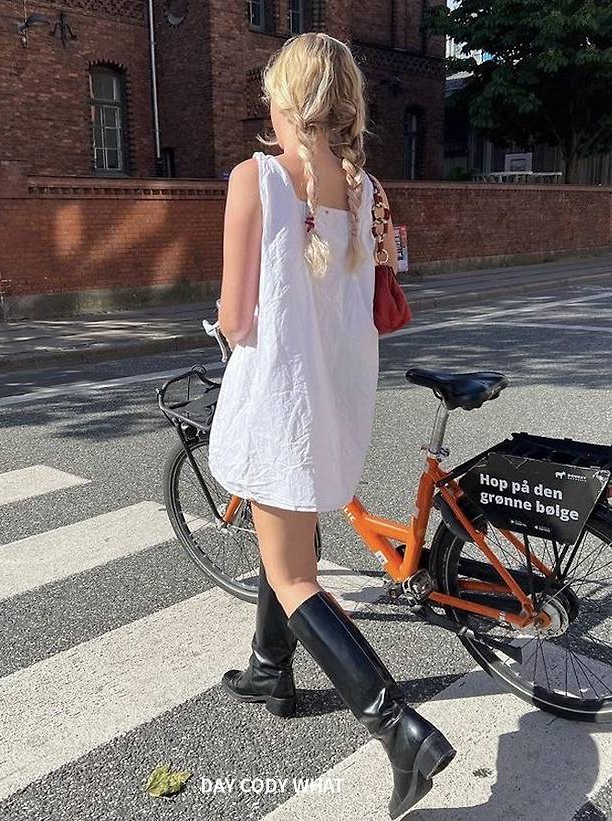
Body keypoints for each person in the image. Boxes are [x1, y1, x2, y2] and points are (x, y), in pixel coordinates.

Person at [207, 32, 455, 820]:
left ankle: (400, 730)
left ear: (285, 100)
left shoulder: (255, 179)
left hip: (282, 394)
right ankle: (268, 668)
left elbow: (236, 316)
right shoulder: (367, 187)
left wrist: (226, 322)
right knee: (286, 530)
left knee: (293, 573)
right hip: (340, 392)